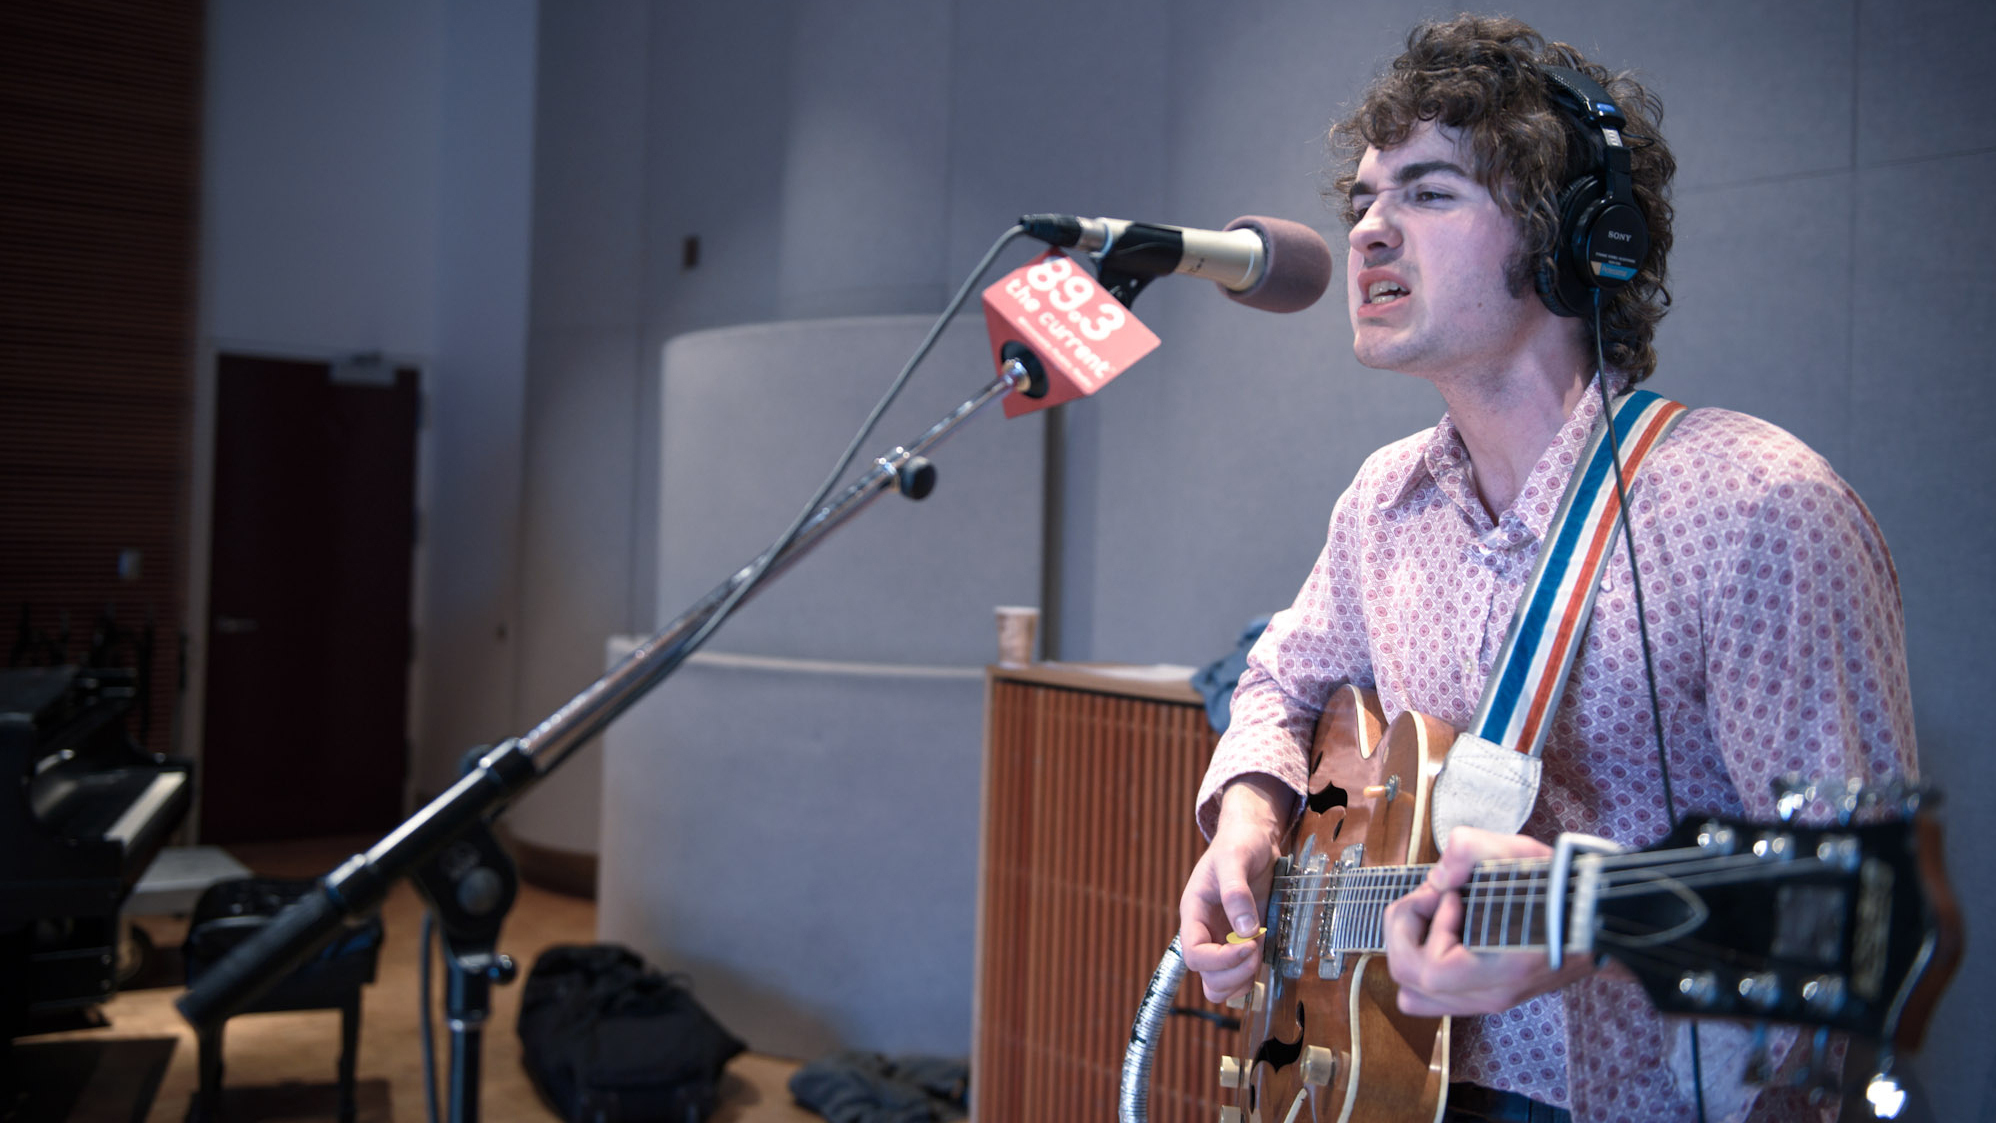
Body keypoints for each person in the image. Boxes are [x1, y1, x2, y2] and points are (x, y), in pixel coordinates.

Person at [1176, 15, 1917, 1123]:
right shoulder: (1382, 501)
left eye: (1428, 193)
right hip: (1399, 1088)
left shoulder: (1756, 507)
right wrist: (1246, 816)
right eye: (1363, 202)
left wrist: (1592, 933)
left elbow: (1860, 910)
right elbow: (1277, 682)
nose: (1369, 231)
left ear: (1576, 240)